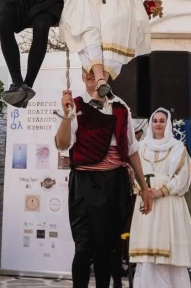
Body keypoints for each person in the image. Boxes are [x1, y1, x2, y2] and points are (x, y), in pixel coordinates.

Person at [55, 69, 153, 288]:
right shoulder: (75, 105)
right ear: (81, 76)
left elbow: (131, 150)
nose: (91, 74)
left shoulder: (121, 107)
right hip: (84, 184)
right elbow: (62, 144)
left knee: (106, 249)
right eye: (86, 71)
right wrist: (66, 115)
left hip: (114, 185)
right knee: (83, 247)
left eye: (96, 69)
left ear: (106, 74)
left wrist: (144, 187)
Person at [127, 109, 191, 287]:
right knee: (148, 251)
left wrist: (161, 191)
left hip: (169, 203)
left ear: (168, 124)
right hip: (146, 202)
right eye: (155, 121)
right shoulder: (141, 146)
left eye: (162, 121)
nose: (158, 124)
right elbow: (133, 171)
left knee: (169, 251)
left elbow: (183, 178)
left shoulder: (178, 148)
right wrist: (142, 189)